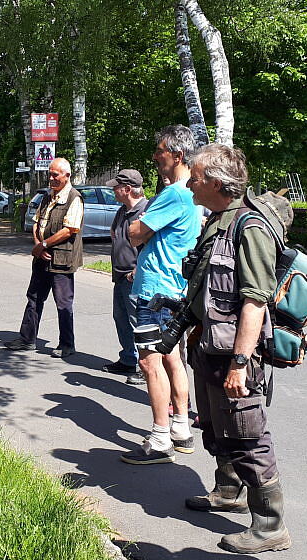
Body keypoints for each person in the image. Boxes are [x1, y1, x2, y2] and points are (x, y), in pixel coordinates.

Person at [182, 144, 289, 554]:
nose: (189, 184)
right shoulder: (218, 221)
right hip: (209, 345)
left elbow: (255, 301)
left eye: (195, 178)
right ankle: (228, 490)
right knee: (214, 426)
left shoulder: (250, 226)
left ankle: (270, 524)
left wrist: (240, 363)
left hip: (234, 353)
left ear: (214, 182)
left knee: (247, 435)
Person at [119, 125, 201, 464]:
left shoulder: (173, 194)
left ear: (177, 156)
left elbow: (134, 232)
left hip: (155, 291)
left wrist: (139, 228)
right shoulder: (193, 192)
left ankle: (159, 439)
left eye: (160, 151)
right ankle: (181, 429)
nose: (155, 157)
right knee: (172, 358)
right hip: (176, 288)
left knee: (149, 361)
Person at [4, 157, 83, 358]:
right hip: (42, 257)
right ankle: (27, 339)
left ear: (67, 175)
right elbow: (37, 223)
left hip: (62, 260)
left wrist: (44, 244)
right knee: (34, 298)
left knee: (63, 304)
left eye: (55, 175)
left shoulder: (74, 198)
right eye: (50, 174)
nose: (51, 178)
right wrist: (38, 244)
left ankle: (67, 344)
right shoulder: (48, 196)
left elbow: (69, 230)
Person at [102, 169, 149, 383]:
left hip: (135, 278)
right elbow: (114, 234)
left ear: (128, 189)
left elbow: (151, 246)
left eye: (116, 187)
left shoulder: (146, 211)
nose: (113, 190)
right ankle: (129, 359)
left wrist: (137, 270)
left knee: (138, 322)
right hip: (120, 275)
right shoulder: (122, 211)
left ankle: (144, 366)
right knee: (121, 319)